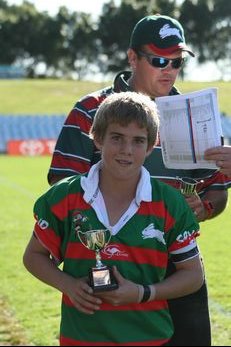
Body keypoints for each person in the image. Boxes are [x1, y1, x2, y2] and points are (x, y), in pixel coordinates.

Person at [47, 14, 231, 346]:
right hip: (109, 263)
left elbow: (216, 191)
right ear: (132, 58)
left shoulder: (197, 114)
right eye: (159, 59)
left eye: (176, 62)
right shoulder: (90, 109)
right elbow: (63, 189)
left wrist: (202, 208)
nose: (169, 69)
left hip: (179, 266)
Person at [23, 91, 204, 346]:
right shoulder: (64, 196)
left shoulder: (170, 203)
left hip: (149, 339)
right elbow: (33, 256)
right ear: (97, 139)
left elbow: (193, 275)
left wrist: (143, 293)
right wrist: (68, 285)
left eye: (138, 141)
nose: (126, 150)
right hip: (81, 338)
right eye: (117, 138)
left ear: (151, 146)